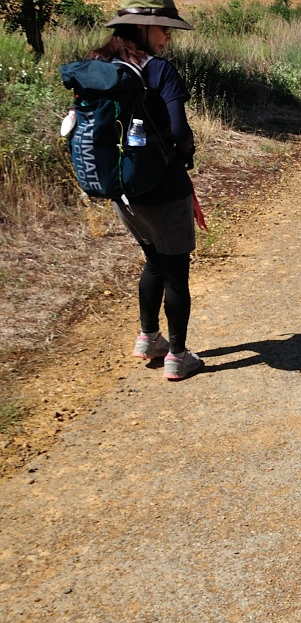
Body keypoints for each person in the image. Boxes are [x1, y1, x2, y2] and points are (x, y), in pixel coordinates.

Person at [93, 0, 205, 380]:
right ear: (141, 27)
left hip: (122, 189)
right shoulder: (159, 70)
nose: (168, 36)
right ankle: (177, 356)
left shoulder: (101, 67)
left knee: (153, 259)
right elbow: (179, 131)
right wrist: (186, 152)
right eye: (164, 28)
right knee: (175, 271)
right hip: (164, 188)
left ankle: (148, 338)